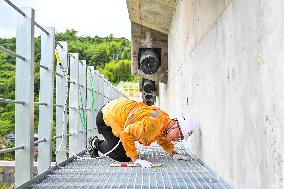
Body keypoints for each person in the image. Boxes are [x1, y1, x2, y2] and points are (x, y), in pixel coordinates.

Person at [88, 98, 195, 168]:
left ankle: (106, 142)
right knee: (123, 156)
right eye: (178, 135)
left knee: (127, 149)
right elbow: (126, 134)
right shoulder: (151, 125)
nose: (177, 139)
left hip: (116, 108)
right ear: (175, 124)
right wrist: (136, 159)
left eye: (180, 138)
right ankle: (95, 143)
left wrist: (173, 153)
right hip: (106, 117)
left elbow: (162, 136)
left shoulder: (163, 119)